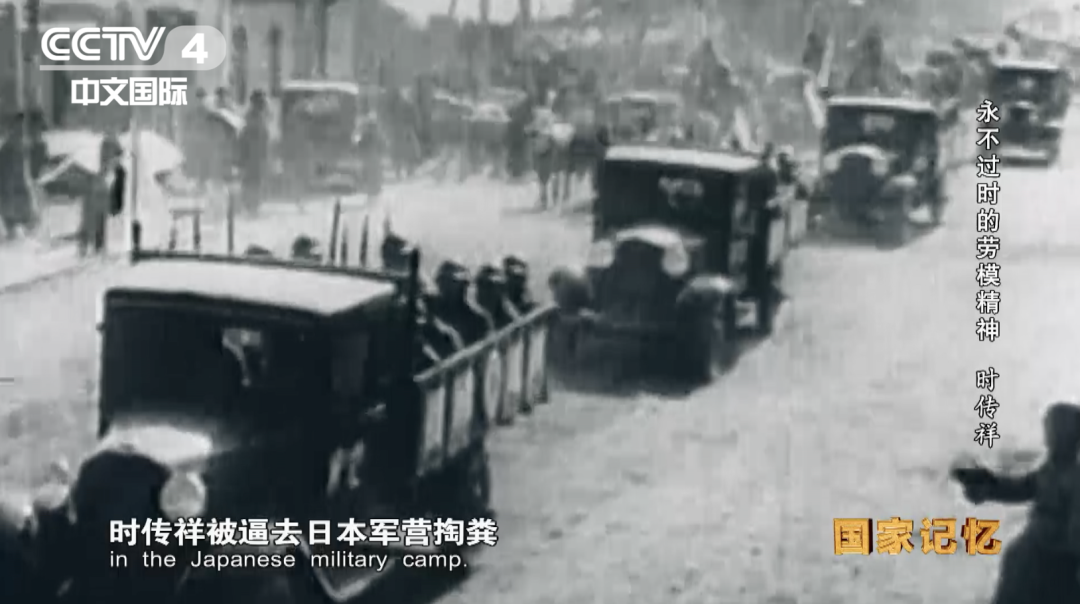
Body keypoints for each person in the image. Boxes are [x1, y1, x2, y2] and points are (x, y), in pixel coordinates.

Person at [952, 401, 1080, 603]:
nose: (1048, 440)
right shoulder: (1050, 470)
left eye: (1054, 433)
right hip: (1037, 551)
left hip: (1058, 559)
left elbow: (1075, 532)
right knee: (1017, 559)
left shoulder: (1074, 478)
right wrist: (988, 485)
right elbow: (1021, 488)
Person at [78, 135, 124, 256]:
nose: (117, 160)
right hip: (96, 197)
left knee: (98, 222)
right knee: (92, 221)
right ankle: (89, 246)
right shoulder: (98, 170)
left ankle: (96, 247)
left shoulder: (112, 170)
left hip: (101, 198)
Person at [429, 261, 494, 346]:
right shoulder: (432, 308)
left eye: (450, 283)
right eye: (442, 283)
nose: (444, 288)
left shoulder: (479, 320)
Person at [238, 90, 271, 215]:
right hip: (251, 157)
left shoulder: (256, 117)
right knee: (252, 182)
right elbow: (244, 138)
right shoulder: (252, 118)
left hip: (255, 157)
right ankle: (251, 206)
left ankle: (252, 206)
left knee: (254, 182)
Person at [475, 264, 519, 330]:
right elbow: (507, 304)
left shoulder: (483, 286)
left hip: (497, 320)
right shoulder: (491, 286)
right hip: (499, 319)